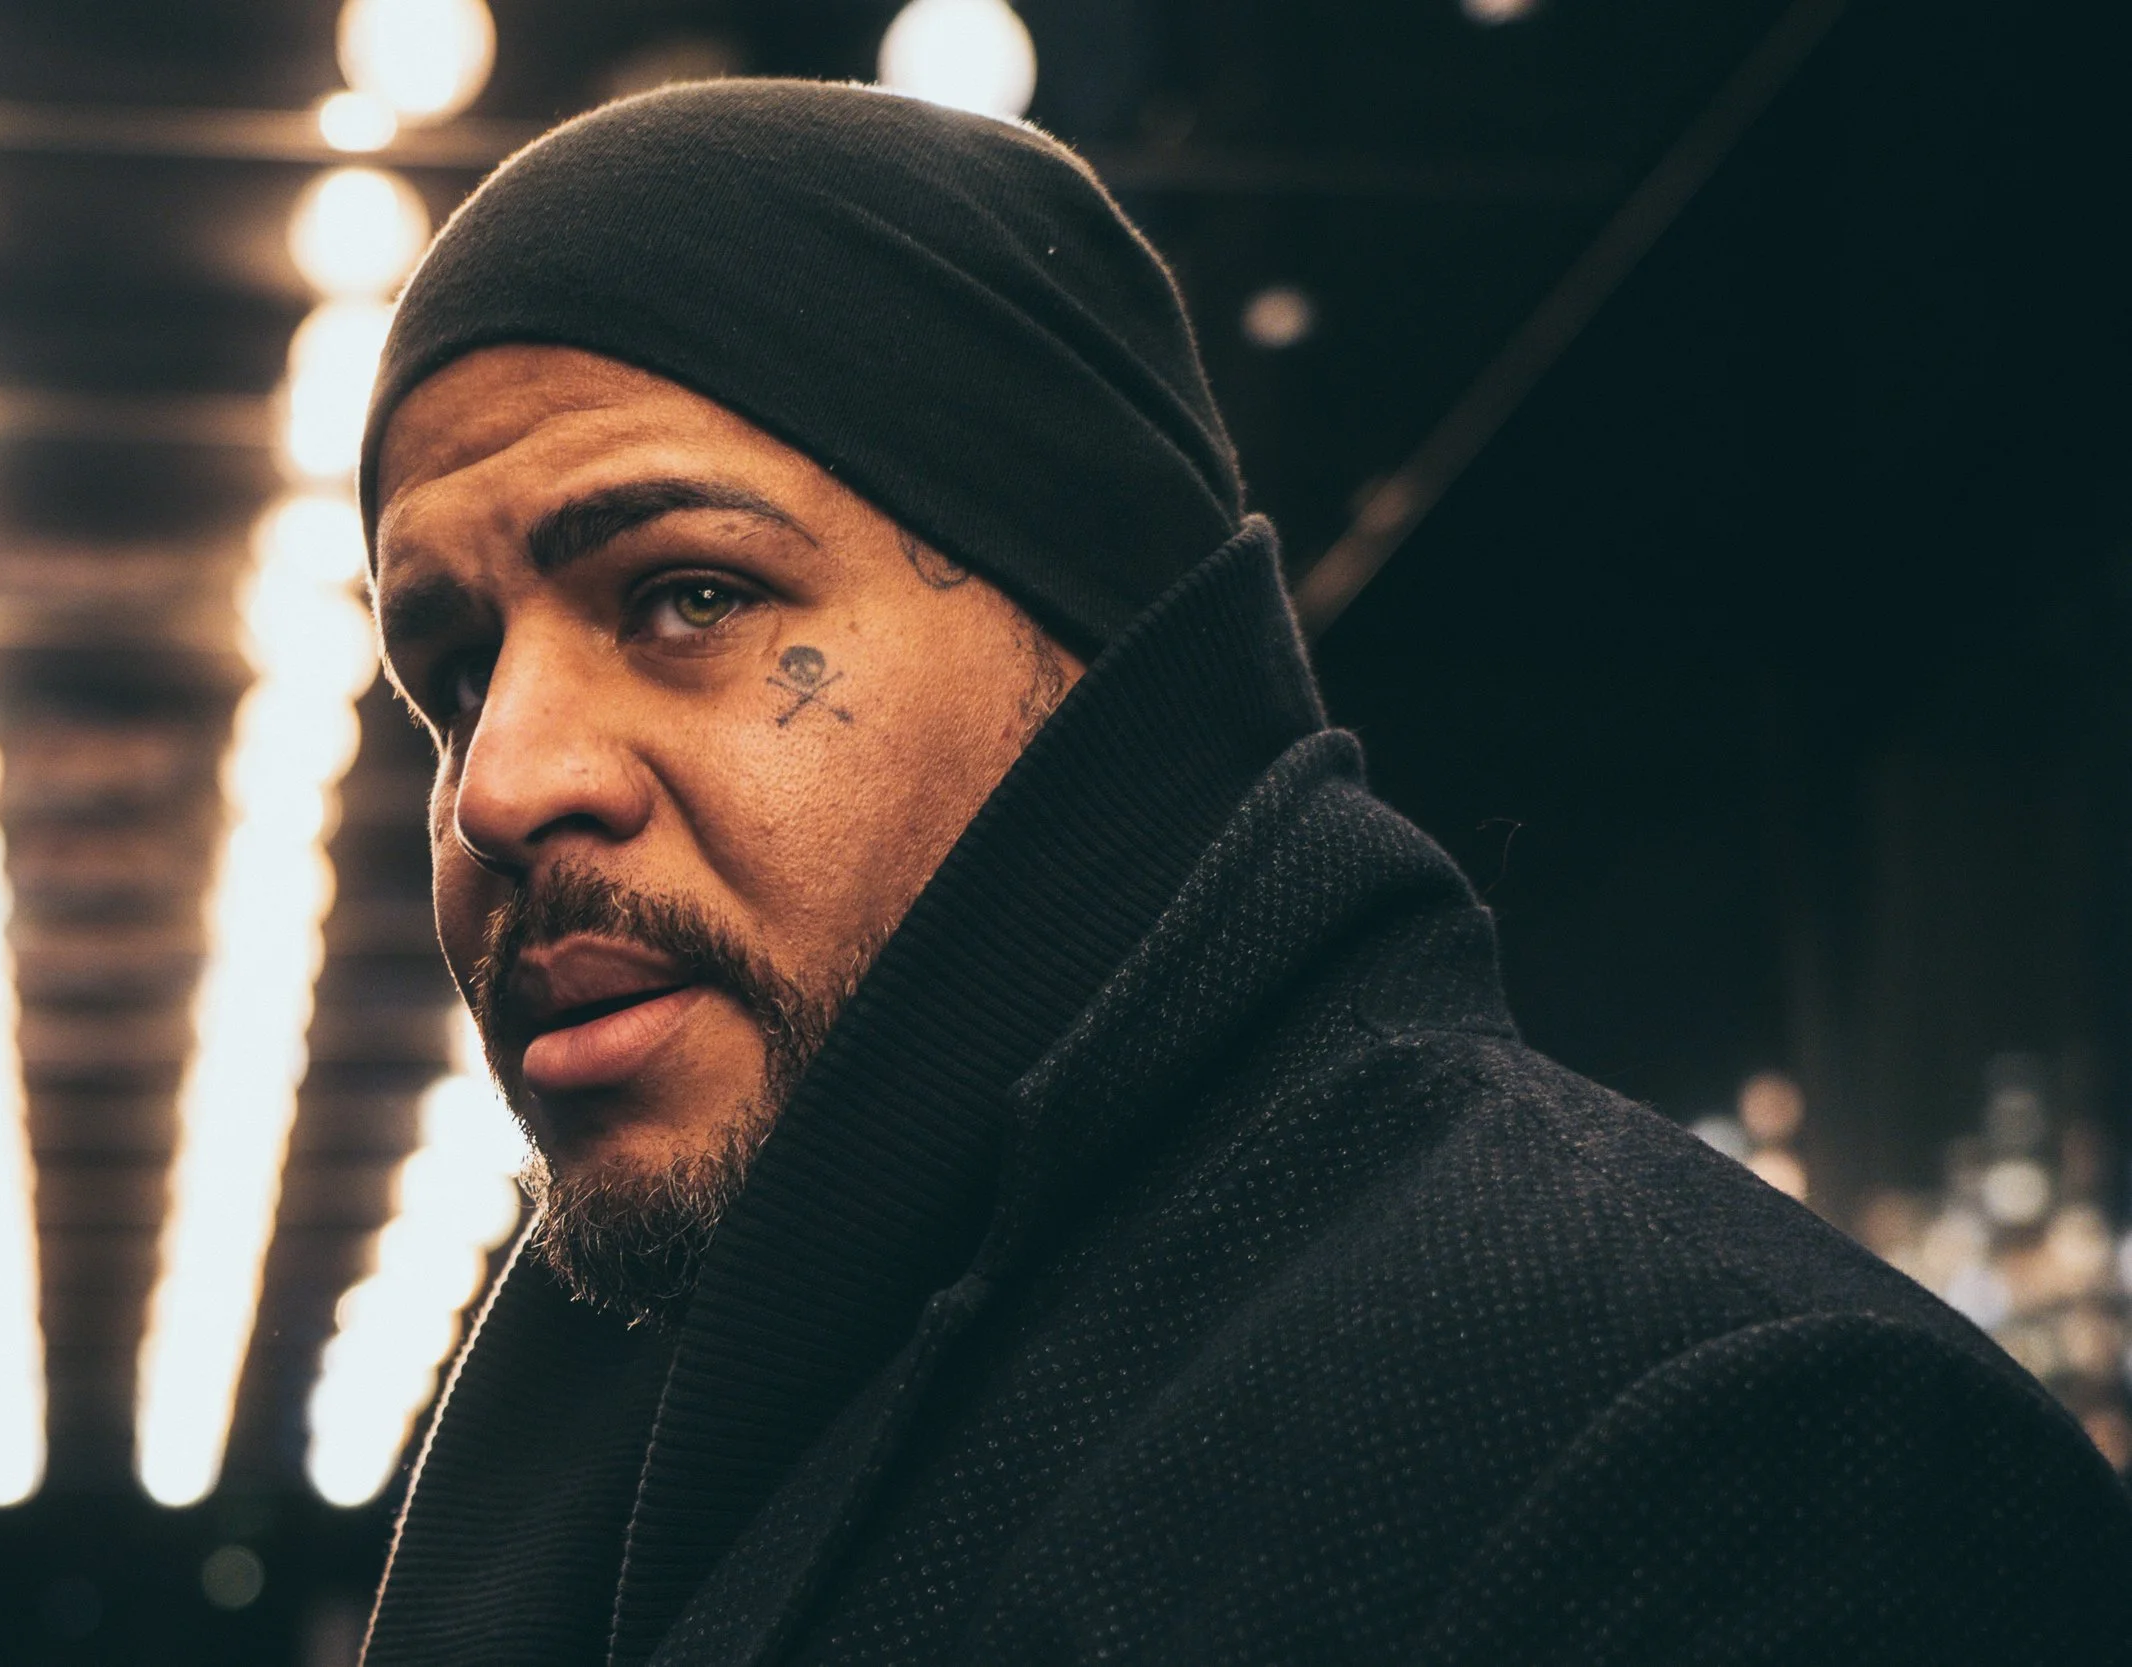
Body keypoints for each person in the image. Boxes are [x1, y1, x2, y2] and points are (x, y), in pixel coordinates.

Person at [354, 79, 2132, 1667]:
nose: (498, 782)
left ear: (1106, 658)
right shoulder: (635, 1478)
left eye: (690, 596)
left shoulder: (1725, 1462)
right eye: (450, 678)